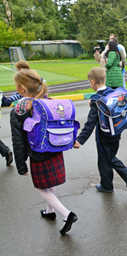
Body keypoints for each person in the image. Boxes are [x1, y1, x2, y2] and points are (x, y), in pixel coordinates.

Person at [10, 69, 77, 235]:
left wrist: (21, 166)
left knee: (41, 187)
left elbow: (18, 141)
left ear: (22, 89)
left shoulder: (19, 109)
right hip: (55, 146)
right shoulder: (48, 101)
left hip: (38, 153)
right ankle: (50, 211)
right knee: (49, 183)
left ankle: (67, 214)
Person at [73, 67, 127, 194]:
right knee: (110, 157)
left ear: (92, 82)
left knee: (105, 160)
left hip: (103, 137)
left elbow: (90, 123)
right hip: (117, 132)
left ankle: (123, 177)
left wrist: (80, 140)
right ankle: (106, 184)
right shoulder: (113, 93)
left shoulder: (97, 100)